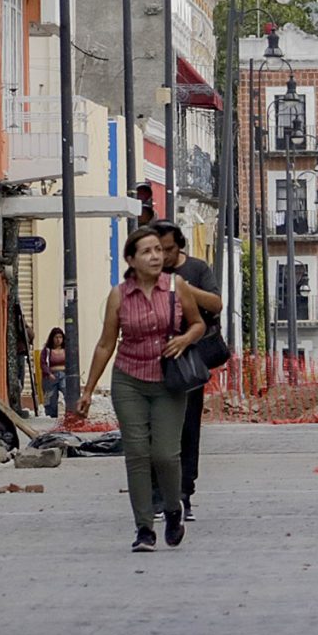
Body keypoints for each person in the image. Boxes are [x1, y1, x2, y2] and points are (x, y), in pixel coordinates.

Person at [78, 227, 210, 550]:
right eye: (147, 251)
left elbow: (198, 324)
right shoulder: (118, 295)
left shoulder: (177, 288)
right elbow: (105, 344)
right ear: (131, 260)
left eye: (158, 251)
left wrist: (184, 338)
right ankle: (144, 529)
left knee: (165, 454)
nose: (155, 256)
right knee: (137, 454)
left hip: (168, 382)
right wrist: (87, 390)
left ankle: (172, 508)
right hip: (129, 379)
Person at [155, 224, 224, 519]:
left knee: (188, 429)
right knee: (155, 430)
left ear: (179, 246)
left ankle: (185, 493)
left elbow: (216, 304)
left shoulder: (197, 269)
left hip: (188, 360)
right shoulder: (145, 272)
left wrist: (183, 287)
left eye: (168, 249)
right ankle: (158, 495)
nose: (163, 256)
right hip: (154, 358)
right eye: (157, 249)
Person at [40, 326, 73, 420]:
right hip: (50, 376)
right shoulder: (47, 351)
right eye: (56, 337)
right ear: (52, 338)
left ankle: (71, 413)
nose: (58, 340)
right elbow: (43, 363)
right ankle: (51, 416)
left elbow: (71, 362)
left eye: (60, 337)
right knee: (51, 398)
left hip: (63, 375)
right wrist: (48, 373)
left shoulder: (66, 350)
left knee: (67, 393)